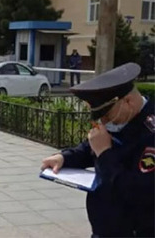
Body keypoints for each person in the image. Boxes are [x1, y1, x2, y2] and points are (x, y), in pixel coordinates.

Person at [41, 62, 154, 237]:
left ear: (128, 102)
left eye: (107, 115)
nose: (104, 123)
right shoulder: (123, 119)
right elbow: (91, 147)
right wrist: (64, 157)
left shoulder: (150, 133)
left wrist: (105, 153)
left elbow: (138, 192)